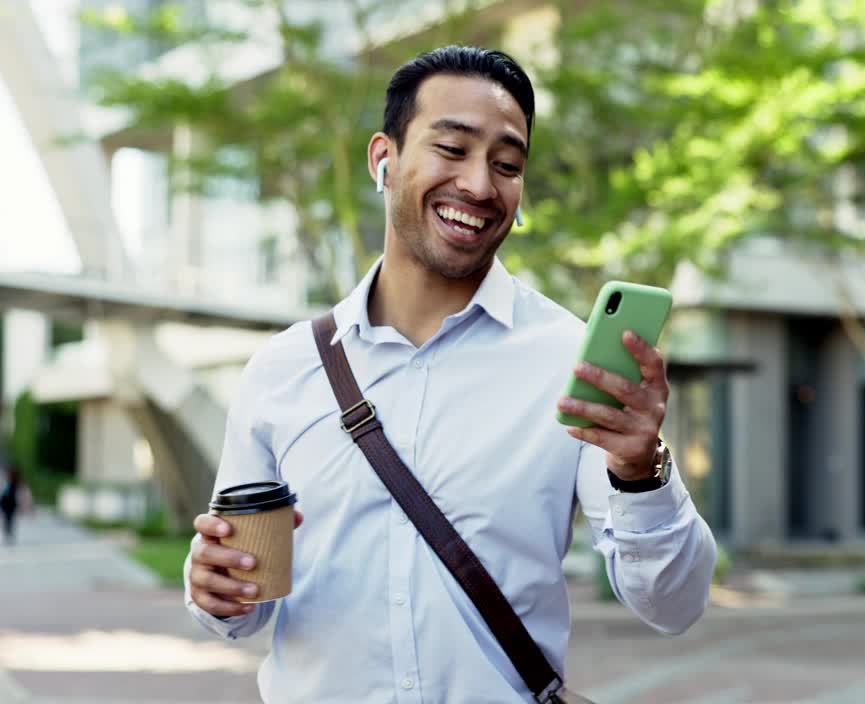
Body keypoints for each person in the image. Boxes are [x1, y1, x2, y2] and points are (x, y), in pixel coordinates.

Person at [184, 45, 718, 702]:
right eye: (452, 149)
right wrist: (217, 588)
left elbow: (674, 606)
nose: (479, 184)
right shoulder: (282, 373)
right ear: (384, 159)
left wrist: (643, 475)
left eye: (507, 164)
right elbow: (242, 606)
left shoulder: (568, 361)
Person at [0, 468, 31, 546]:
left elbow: (22, 493)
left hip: (8, 503)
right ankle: (8, 531)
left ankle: (8, 531)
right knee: (9, 518)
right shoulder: (12, 482)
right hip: (8, 503)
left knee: (9, 518)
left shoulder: (11, 482)